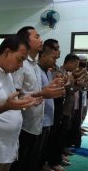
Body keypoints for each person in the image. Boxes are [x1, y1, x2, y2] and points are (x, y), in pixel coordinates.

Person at [10, 26, 65, 171]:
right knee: (20, 164)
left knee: (31, 163)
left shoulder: (34, 64)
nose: (41, 40)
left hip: (36, 123)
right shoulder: (21, 64)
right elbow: (14, 97)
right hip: (24, 125)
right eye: (36, 37)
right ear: (25, 40)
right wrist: (43, 93)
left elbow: (38, 91)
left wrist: (49, 88)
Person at [0, 35, 40, 171]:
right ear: (7, 52)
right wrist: (8, 106)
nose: (20, 66)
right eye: (20, 60)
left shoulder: (6, 71)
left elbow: (7, 100)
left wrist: (22, 102)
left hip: (9, 145)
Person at [36, 45, 59, 170]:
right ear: (43, 55)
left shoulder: (48, 72)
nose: (55, 61)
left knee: (42, 149)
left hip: (48, 117)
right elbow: (37, 92)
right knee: (34, 153)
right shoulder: (36, 70)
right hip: (39, 118)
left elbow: (49, 90)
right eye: (53, 58)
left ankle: (41, 165)